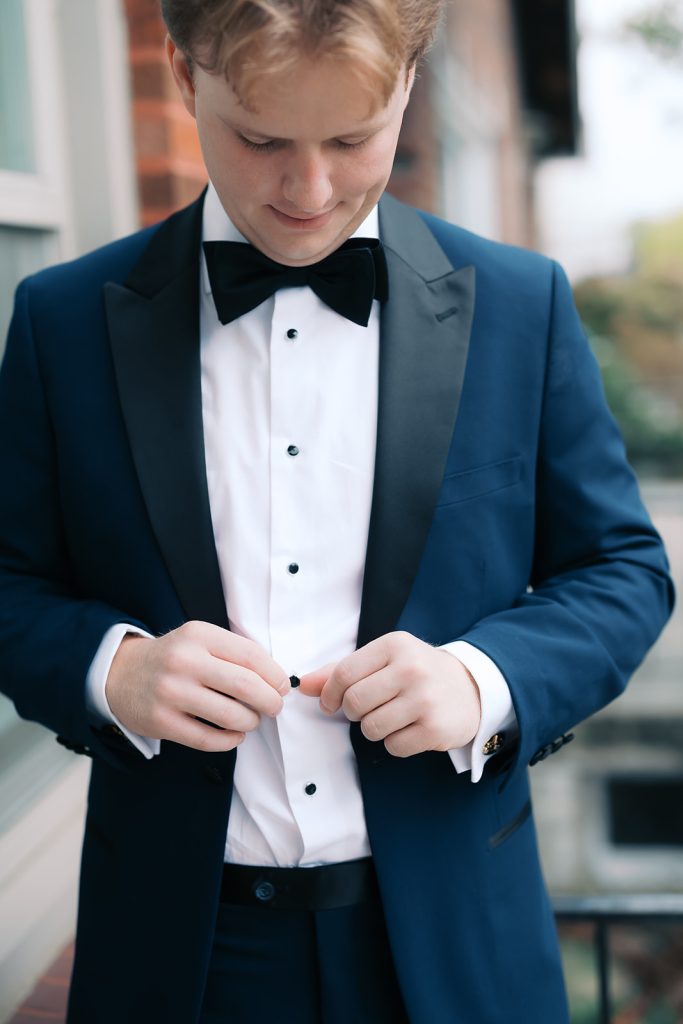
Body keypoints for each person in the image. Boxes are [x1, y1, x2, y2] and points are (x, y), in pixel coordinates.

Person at [0, 1, 673, 1021]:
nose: (309, 192)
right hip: (179, 951)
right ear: (182, 73)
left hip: (457, 943)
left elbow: (622, 570)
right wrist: (114, 669)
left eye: (353, 140)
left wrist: (482, 678)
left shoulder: (520, 303)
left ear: (406, 83)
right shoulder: (61, 321)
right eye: (261, 139)